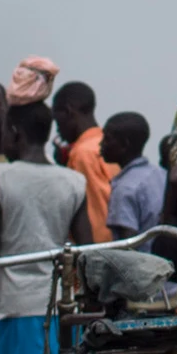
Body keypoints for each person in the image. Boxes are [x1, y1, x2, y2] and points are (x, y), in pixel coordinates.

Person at [0, 99, 91, 354]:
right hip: (61, 308)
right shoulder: (74, 180)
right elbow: (85, 251)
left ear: (14, 132)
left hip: (14, 307)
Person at [54, 79, 116, 239]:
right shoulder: (108, 143)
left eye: (57, 120)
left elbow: (97, 214)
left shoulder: (82, 154)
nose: (57, 129)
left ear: (68, 112)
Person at [101, 112, 166, 239]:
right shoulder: (160, 173)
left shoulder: (124, 189)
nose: (101, 144)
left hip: (143, 257)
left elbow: (128, 245)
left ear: (125, 145)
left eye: (107, 139)